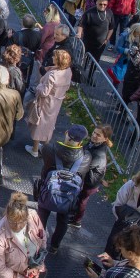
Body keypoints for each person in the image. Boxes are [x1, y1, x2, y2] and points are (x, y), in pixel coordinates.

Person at [36, 124, 89, 252]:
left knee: (41, 217)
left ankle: (37, 243)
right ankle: (54, 246)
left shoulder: (49, 148)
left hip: (47, 191)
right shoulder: (86, 157)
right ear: (81, 141)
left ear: (66, 133)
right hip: (69, 196)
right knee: (63, 221)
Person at [25, 49, 74, 158]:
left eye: (54, 57)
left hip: (45, 103)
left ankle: (35, 149)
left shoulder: (52, 75)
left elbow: (43, 92)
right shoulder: (68, 71)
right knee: (50, 124)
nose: (52, 58)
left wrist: (38, 86)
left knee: (39, 124)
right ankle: (45, 147)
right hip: (57, 102)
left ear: (58, 60)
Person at [71, 125, 113, 228]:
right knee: (78, 198)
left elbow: (86, 166)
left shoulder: (99, 154)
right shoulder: (92, 144)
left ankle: (77, 221)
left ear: (105, 138)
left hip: (90, 183)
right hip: (85, 178)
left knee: (82, 201)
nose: (94, 135)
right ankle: (73, 214)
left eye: (98, 135)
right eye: (94, 132)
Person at [77, 0, 113, 82]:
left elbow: (111, 28)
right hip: (88, 42)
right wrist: (79, 33)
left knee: (95, 62)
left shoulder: (109, 13)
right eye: (100, 4)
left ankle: (90, 78)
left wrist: (107, 40)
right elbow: (81, 24)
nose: (103, 6)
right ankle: (79, 76)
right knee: (84, 59)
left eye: (105, 4)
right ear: (96, 3)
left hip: (100, 44)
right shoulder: (89, 13)